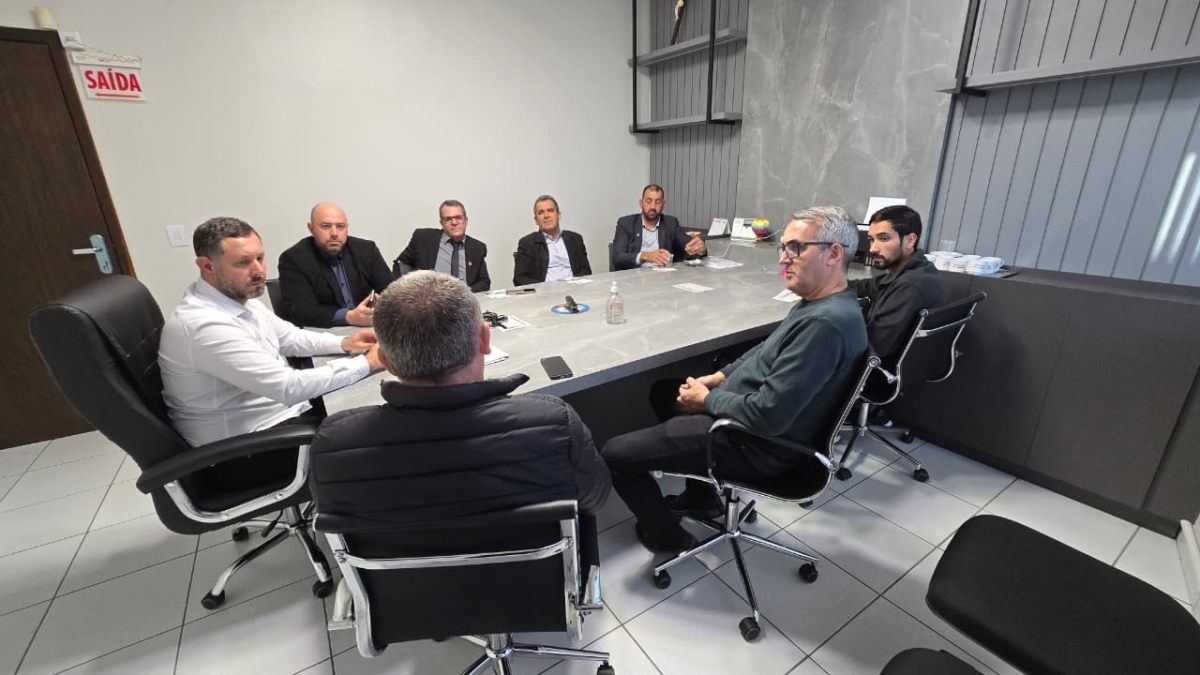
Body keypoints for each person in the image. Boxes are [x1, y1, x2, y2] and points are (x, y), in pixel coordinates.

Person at [601, 206, 868, 554]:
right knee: (664, 392)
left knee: (616, 454)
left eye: (796, 248)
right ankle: (702, 499)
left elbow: (767, 415)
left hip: (752, 442)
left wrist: (707, 400)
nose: (783, 258)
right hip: (747, 418)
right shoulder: (822, 303)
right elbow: (765, 350)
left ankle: (667, 538)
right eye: (783, 247)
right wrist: (720, 376)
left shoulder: (825, 325)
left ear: (833, 253)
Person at [308, 270, 611, 568]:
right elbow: (595, 500)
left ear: (385, 361)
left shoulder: (332, 446)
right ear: (485, 340)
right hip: (537, 589)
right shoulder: (556, 425)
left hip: (405, 597)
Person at [159, 216, 386, 450]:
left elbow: (290, 338)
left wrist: (345, 342)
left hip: (278, 417)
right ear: (207, 266)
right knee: (381, 433)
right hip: (249, 446)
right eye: (243, 262)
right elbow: (288, 387)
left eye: (259, 258)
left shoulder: (239, 300)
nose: (258, 270)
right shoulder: (204, 325)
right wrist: (368, 363)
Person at [850, 205, 947, 365]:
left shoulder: (909, 286)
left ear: (910, 240)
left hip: (877, 367)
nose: (873, 249)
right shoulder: (917, 269)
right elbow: (868, 286)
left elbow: (874, 346)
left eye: (884, 239)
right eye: (871, 239)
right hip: (905, 361)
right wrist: (826, 286)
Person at [277, 202, 394, 328]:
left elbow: (393, 292)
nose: (334, 233)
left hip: (368, 327)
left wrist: (381, 305)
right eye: (326, 226)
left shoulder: (366, 250)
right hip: (325, 332)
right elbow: (302, 310)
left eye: (340, 226)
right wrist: (349, 316)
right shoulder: (294, 259)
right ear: (311, 228)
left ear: (347, 227)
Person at [393, 199, 491, 292]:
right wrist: (408, 290)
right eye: (448, 219)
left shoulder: (477, 248)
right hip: (429, 299)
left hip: (463, 300)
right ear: (442, 223)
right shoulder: (423, 238)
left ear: (465, 220)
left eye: (458, 218)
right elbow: (401, 264)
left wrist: (467, 292)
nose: (454, 222)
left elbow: (484, 281)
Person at [611, 184, 706, 270]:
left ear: (663, 205)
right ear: (641, 203)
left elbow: (688, 249)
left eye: (658, 202)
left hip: (662, 276)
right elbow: (618, 258)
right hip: (633, 278)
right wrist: (645, 256)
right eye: (648, 201)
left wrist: (700, 250)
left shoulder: (671, 223)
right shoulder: (626, 223)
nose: (653, 206)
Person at [513, 195, 593, 285]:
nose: (546, 216)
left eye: (550, 210)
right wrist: (544, 288)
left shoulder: (575, 239)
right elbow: (519, 278)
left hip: (574, 288)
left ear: (559, 215)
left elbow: (586, 271)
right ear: (536, 220)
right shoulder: (527, 243)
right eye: (541, 212)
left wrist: (572, 284)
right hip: (545, 291)